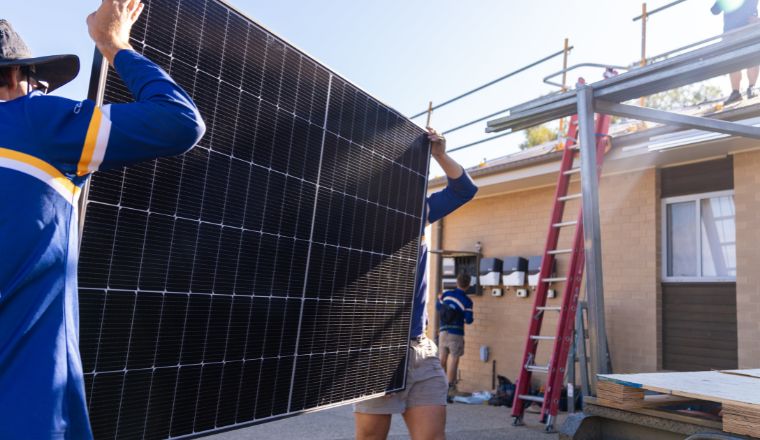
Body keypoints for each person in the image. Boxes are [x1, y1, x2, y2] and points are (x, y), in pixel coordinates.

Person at [0, 1, 205, 438]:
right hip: (26, 409)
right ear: (16, 77)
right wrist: (114, 44)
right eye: (38, 82)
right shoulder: (34, 122)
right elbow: (179, 121)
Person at [354, 128, 478, 440]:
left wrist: (439, 155)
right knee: (371, 436)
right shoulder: (356, 218)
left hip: (420, 348)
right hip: (376, 348)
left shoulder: (417, 211)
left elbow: (464, 189)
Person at [712, 0, 760, 104]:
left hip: (749, 27)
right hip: (731, 32)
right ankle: (735, 92)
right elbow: (715, 10)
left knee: (752, 57)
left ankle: (752, 87)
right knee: (732, 61)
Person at [437, 272, 474, 402]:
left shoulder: (446, 295)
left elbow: (438, 307)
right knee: (454, 358)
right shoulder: (467, 301)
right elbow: (469, 320)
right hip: (456, 333)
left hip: (442, 331)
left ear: (457, 282)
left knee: (442, 358)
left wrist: (439, 299)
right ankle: (450, 388)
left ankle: (439, 387)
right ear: (468, 285)